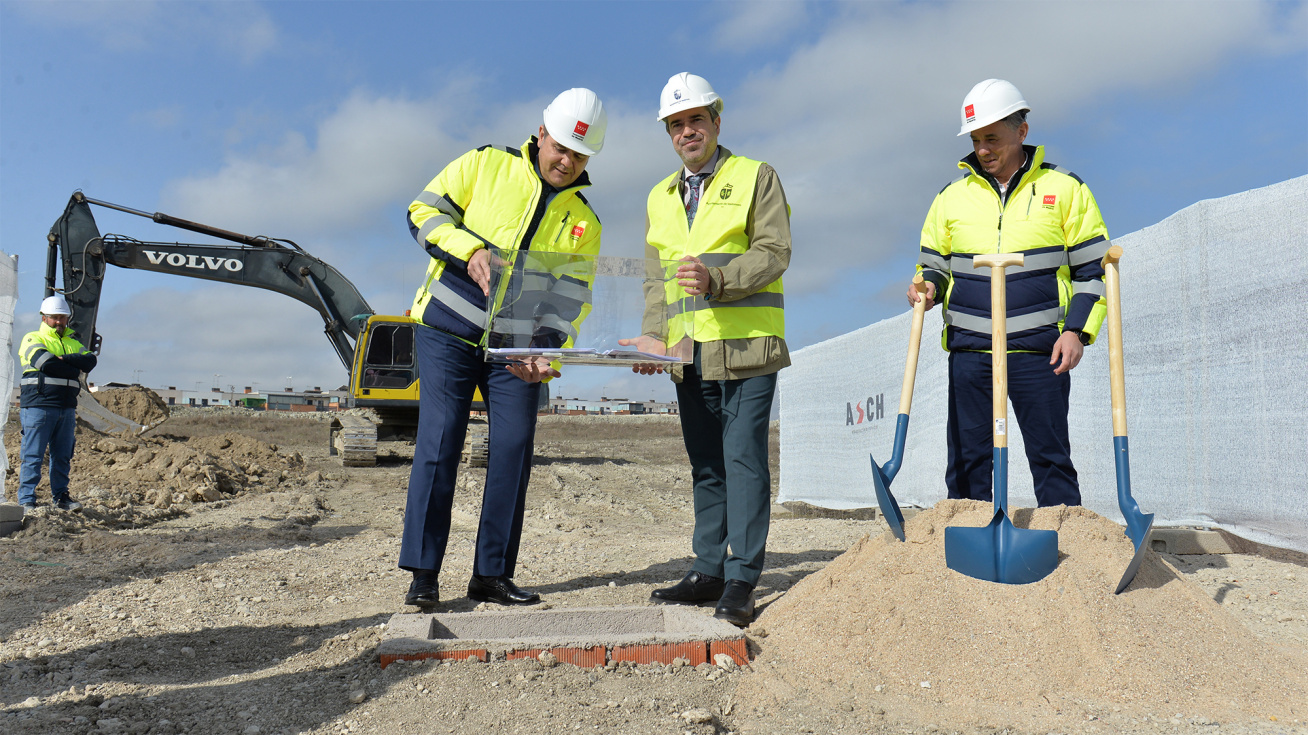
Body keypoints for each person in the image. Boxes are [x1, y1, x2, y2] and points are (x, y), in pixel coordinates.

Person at [398, 88, 607, 609]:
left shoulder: (585, 223)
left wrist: (546, 347)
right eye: (560, 147)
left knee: (512, 449)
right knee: (440, 442)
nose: (567, 161)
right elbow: (423, 211)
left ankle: (491, 575)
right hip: (447, 331)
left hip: (516, 351)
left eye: (580, 155)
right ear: (541, 133)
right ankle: (423, 574)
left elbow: (571, 298)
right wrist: (469, 250)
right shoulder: (486, 163)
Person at [621, 72, 791, 627]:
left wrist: (718, 280)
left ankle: (741, 578)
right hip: (689, 353)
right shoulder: (659, 196)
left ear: (716, 121)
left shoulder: (756, 176)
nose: (687, 131)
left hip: (747, 347)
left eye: (696, 119)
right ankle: (708, 569)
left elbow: (774, 251)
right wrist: (654, 336)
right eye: (676, 124)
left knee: (743, 461)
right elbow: (657, 280)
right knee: (707, 465)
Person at [908, 79, 1111, 508]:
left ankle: (1065, 538)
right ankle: (969, 535)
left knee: (1051, 457)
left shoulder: (1065, 190)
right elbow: (934, 265)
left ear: (1022, 132)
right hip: (971, 351)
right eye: (976, 140)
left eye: (992, 138)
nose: (982, 150)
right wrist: (927, 286)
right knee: (966, 462)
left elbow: (1092, 270)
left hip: (1041, 351)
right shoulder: (951, 198)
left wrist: (1076, 331)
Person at [16, 294, 97, 512]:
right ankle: (26, 500)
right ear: (44, 318)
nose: (59, 322)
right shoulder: (33, 338)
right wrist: (73, 368)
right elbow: (46, 363)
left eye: (62, 317)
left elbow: (91, 360)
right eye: (54, 318)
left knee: (62, 456)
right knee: (33, 455)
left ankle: (61, 497)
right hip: (38, 405)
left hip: (66, 407)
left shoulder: (73, 343)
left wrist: (65, 359)